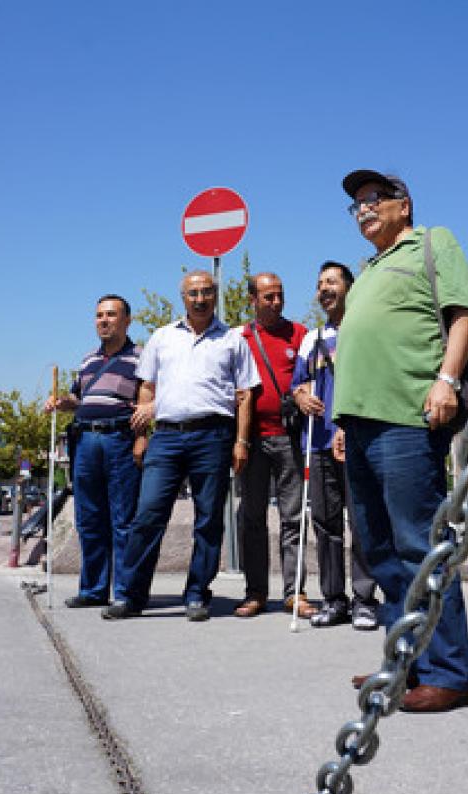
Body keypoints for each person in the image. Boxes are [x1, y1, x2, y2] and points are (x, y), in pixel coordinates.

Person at [333, 170, 468, 713]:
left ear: (404, 204)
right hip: (362, 424)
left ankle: (448, 672)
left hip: (408, 418)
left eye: (373, 199)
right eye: (356, 206)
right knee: (381, 552)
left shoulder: (431, 241)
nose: (364, 210)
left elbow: (462, 313)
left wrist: (445, 379)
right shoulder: (369, 268)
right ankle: (404, 660)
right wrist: (345, 423)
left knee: (419, 545)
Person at [102, 270, 259, 622]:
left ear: (214, 296)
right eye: (193, 293)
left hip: (214, 437)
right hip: (167, 437)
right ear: (183, 297)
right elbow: (147, 389)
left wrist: (241, 441)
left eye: (206, 292)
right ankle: (130, 595)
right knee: (147, 517)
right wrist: (141, 435)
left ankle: (197, 594)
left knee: (208, 522)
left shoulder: (233, 340)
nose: (200, 299)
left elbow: (245, 395)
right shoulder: (162, 337)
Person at [291, 261, 378, 630]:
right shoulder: (311, 339)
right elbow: (298, 384)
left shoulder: (366, 329)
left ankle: (364, 600)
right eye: (319, 283)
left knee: (362, 522)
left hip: (357, 440)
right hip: (318, 442)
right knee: (325, 525)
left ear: (349, 287)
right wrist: (300, 396)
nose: (324, 289)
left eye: (331, 282)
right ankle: (333, 599)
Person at [45, 295, 142, 609]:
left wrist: (142, 440)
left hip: (119, 438)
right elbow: (79, 397)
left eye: (111, 314)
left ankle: (125, 594)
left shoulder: (142, 358)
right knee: (89, 518)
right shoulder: (88, 360)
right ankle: (93, 589)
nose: (104, 320)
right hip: (85, 441)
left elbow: (148, 400)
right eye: (99, 315)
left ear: (127, 320)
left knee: (123, 519)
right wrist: (62, 402)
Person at [234, 272, 314, 619]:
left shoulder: (300, 334)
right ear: (253, 300)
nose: (276, 302)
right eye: (268, 297)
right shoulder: (240, 337)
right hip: (251, 442)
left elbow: (313, 376)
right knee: (251, 518)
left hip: (290, 439)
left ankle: (295, 593)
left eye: (280, 295)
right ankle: (255, 593)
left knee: (293, 518)